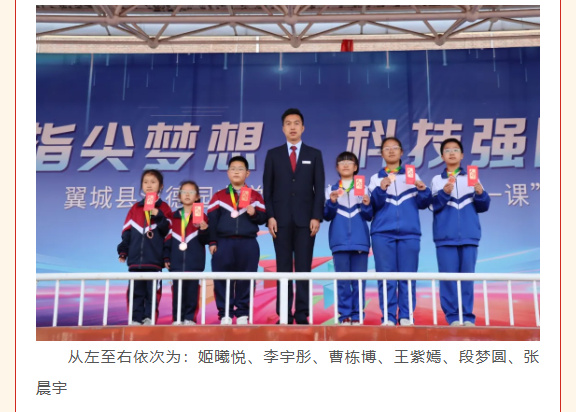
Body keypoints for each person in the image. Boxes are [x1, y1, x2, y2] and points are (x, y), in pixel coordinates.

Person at [263, 108, 325, 325]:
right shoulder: (273, 154)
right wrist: (270, 216)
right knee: (283, 268)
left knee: (304, 267)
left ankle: (301, 313)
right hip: (279, 221)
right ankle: (284, 314)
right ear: (282, 128)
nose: (292, 127)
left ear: (303, 127)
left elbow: (319, 189)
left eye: (296, 123)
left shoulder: (314, 154)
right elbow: (267, 190)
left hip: (306, 221)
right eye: (288, 123)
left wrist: (316, 216)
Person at [368, 137, 431, 326]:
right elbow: (371, 207)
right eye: (387, 148)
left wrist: (423, 190)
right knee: (385, 277)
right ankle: (388, 317)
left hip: (409, 233)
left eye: (395, 148)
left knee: (407, 276)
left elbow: (423, 203)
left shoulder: (412, 175)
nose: (391, 151)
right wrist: (381, 189)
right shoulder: (375, 178)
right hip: (382, 233)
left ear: (401, 152)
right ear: (382, 154)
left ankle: (406, 316)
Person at [430, 138, 490, 326]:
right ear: (442, 156)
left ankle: (467, 317)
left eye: (455, 150)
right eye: (447, 150)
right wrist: (444, 193)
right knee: (448, 279)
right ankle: (453, 317)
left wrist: (480, 193)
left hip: (469, 236)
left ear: (462, 155)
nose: (452, 153)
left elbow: (483, 206)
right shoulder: (437, 180)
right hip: (445, 237)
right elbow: (432, 206)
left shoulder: (472, 177)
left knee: (467, 278)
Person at [208, 156, 268, 325]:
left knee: (246, 278)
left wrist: (253, 213)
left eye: (240, 169)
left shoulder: (255, 196)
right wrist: (212, 242)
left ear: (247, 173)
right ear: (228, 173)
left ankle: (242, 313)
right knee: (221, 278)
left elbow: (263, 218)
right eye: (233, 169)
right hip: (223, 243)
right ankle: (225, 313)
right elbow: (212, 221)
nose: (236, 172)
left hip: (248, 243)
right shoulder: (219, 196)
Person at [117, 169, 172, 325]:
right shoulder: (135, 208)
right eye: (145, 182)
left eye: (153, 182)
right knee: (135, 293)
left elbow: (168, 232)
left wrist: (158, 214)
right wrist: (123, 251)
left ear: (161, 186)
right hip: (135, 261)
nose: (149, 185)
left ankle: (149, 319)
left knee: (152, 294)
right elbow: (126, 232)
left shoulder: (165, 208)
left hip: (154, 262)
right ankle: (135, 319)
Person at [323, 152, 373, 325]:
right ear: (337, 167)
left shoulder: (364, 188)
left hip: (360, 241)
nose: (345, 164)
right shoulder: (330, 190)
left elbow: (369, 216)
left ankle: (358, 316)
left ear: (356, 167)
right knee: (342, 281)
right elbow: (326, 216)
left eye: (349, 162)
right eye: (341, 162)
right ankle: (344, 316)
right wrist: (332, 202)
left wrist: (366, 204)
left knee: (359, 281)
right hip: (339, 241)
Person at [164, 181, 209, 325]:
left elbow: (205, 240)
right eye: (184, 192)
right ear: (179, 196)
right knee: (177, 293)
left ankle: (190, 318)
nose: (187, 195)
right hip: (176, 263)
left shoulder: (202, 216)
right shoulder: (172, 217)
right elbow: (167, 240)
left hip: (194, 263)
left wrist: (204, 229)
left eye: (191, 192)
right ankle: (177, 319)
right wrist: (166, 257)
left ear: (197, 197)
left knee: (192, 293)